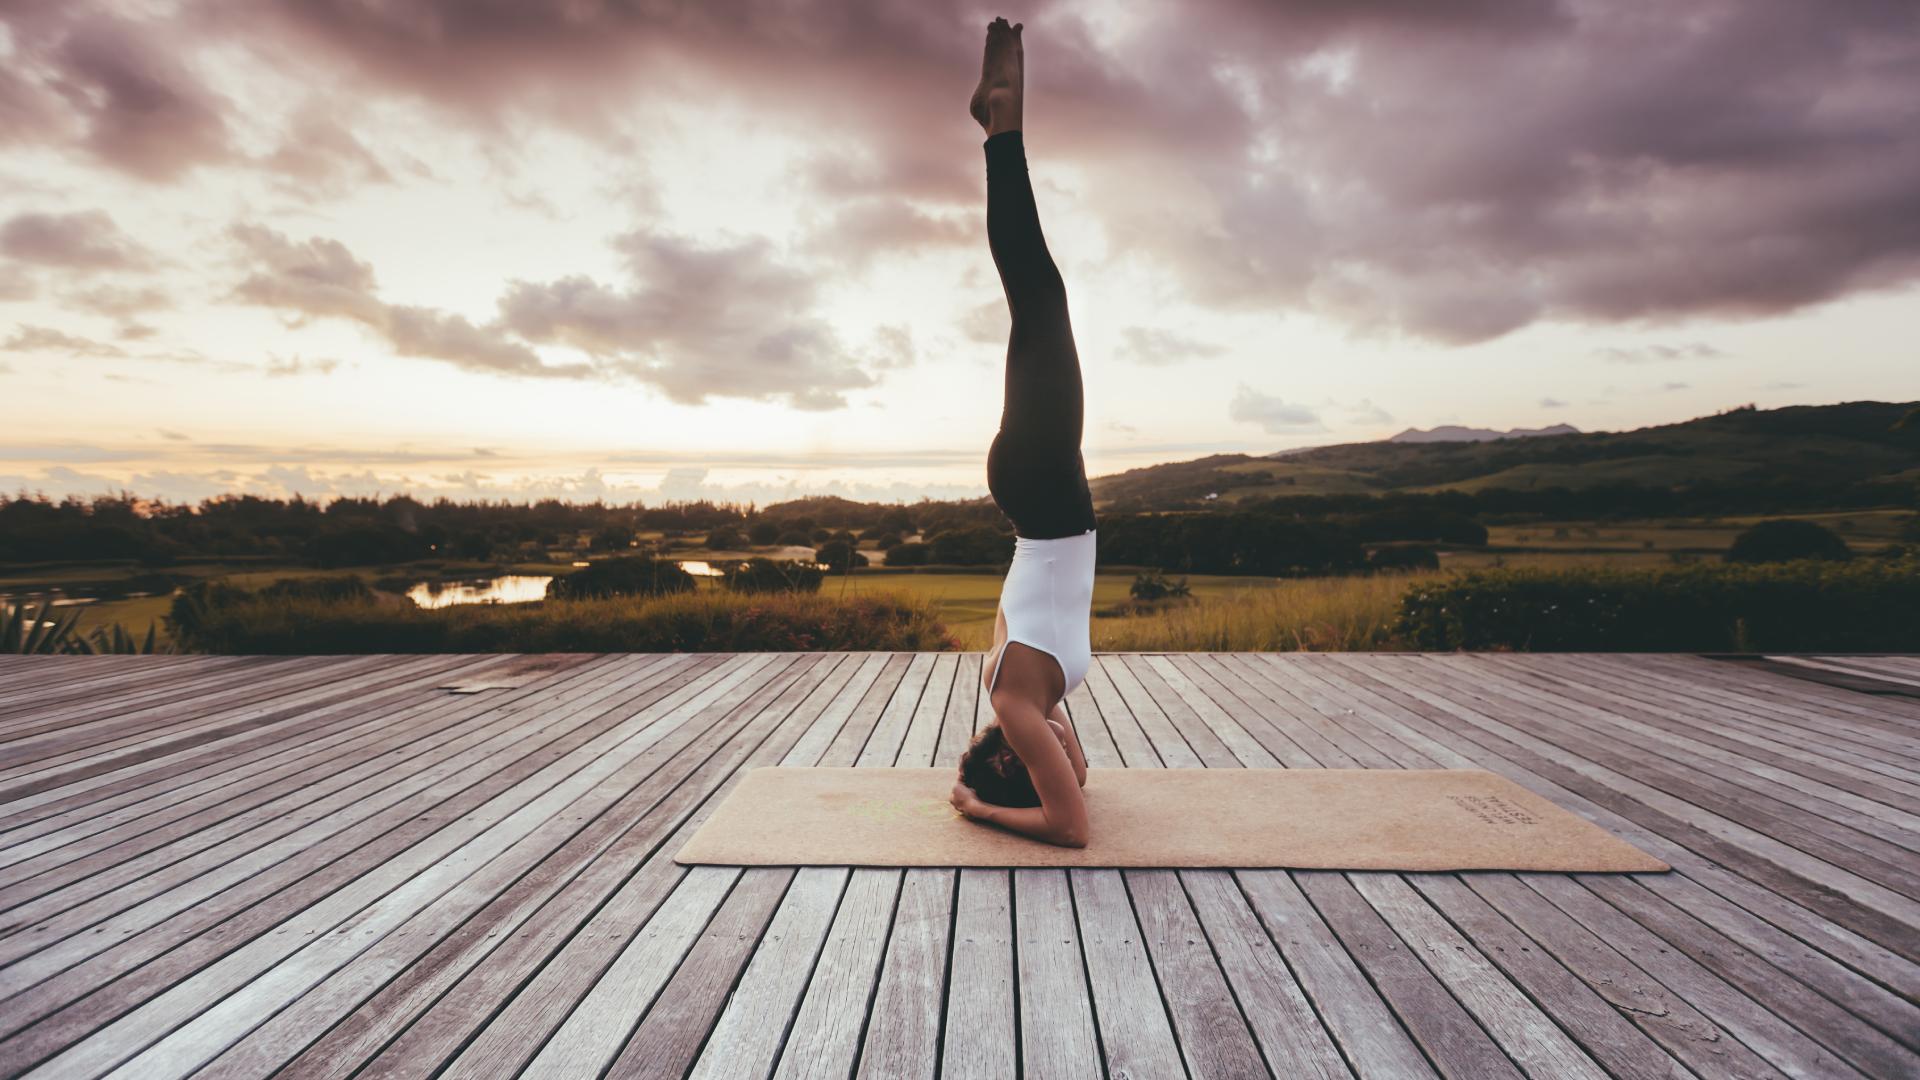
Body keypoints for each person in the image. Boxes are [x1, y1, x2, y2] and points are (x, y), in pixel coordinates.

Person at [949, 16, 1096, 848]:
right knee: (1039, 302)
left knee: (1039, 297)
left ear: (1016, 757)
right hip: (1040, 490)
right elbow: (1079, 783)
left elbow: (1072, 827)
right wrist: (1049, 765)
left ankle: (1003, 124)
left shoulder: (1016, 700)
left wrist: (981, 810)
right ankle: (1002, 118)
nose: (1063, 759)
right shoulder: (1031, 700)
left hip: (1043, 494)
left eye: (1041, 761)